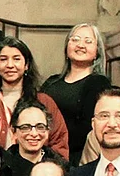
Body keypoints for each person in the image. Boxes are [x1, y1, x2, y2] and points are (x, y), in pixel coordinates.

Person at [40, 23, 111, 166]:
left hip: (75, 159)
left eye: (88, 41)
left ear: (97, 51)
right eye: (75, 39)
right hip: (41, 152)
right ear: (66, 47)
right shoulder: (51, 82)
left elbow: (87, 127)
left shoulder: (98, 83)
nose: (80, 45)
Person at [0, 37, 69, 158]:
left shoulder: (44, 101)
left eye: (16, 59)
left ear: (26, 65)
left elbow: (59, 142)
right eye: (3, 59)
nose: (10, 65)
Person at [4, 101, 64, 176]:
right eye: (25, 127)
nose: (34, 134)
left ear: (47, 131)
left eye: (40, 127)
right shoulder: (2, 168)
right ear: (13, 131)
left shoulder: (62, 169)